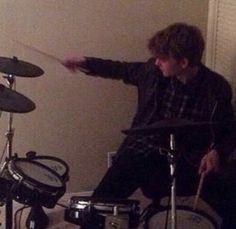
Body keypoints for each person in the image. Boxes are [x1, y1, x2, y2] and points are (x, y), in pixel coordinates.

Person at [63, 22, 236, 228]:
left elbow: (228, 129)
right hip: (146, 149)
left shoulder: (217, 88)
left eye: (162, 59)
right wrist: (84, 62)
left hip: (190, 158)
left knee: (231, 191)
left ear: (183, 62)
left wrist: (216, 151)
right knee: (103, 201)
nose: (156, 63)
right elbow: (121, 69)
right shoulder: (152, 72)